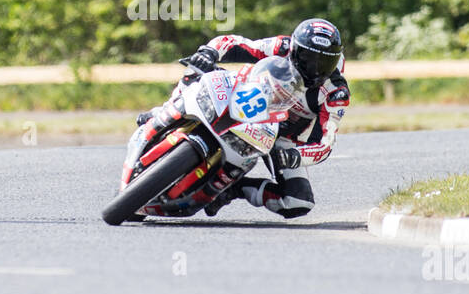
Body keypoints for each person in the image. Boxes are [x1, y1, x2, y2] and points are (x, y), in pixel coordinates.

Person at [134, 18, 349, 219]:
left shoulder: (336, 93)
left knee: (297, 201)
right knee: (197, 70)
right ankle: (165, 111)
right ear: (294, 49)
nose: (314, 68)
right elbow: (234, 42)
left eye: (324, 63)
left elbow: (325, 144)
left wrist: (295, 156)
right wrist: (210, 52)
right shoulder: (281, 46)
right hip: (244, 95)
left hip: (280, 137)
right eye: (307, 58)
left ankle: (231, 189)